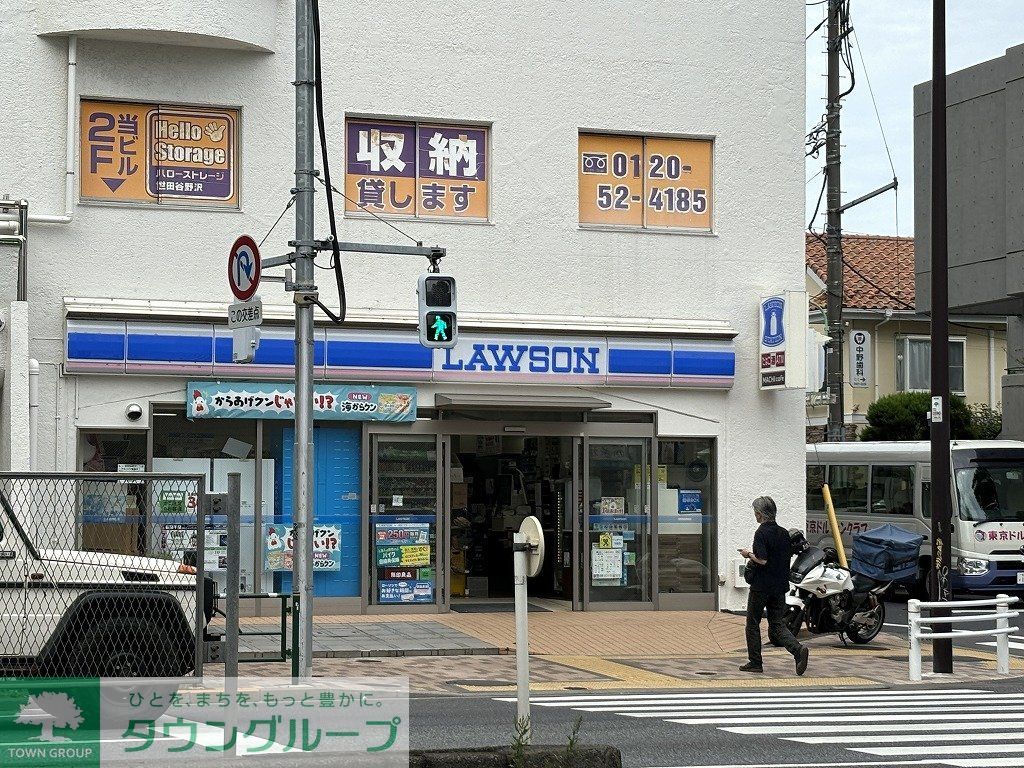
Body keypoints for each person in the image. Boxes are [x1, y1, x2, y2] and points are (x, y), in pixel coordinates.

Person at [738, 496, 809, 675]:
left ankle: (755, 662)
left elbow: (762, 559)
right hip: (779, 585)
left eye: (756, 512)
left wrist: (748, 554)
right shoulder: (784, 533)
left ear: (760, 514)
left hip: (761, 586)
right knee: (777, 624)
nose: (755, 515)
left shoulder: (761, 533)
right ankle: (797, 650)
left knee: (752, 623)